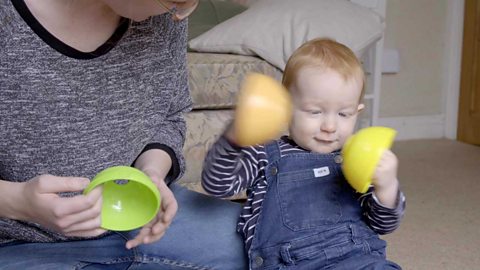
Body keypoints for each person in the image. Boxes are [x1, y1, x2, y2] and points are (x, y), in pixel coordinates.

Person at [0, 0, 247, 269]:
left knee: (279, 240)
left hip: (136, 220)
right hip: (15, 240)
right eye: (174, 2)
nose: (179, 12)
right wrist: (18, 202)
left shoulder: (166, 16)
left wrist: (152, 172)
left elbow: (169, 116)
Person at [202, 38, 406, 269]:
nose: (329, 126)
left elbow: (382, 225)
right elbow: (218, 185)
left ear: (357, 112)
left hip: (359, 259)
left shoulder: (356, 160)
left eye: (343, 114)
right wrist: (234, 139)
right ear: (286, 108)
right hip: (290, 262)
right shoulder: (264, 154)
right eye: (315, 111)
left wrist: (387, 187)